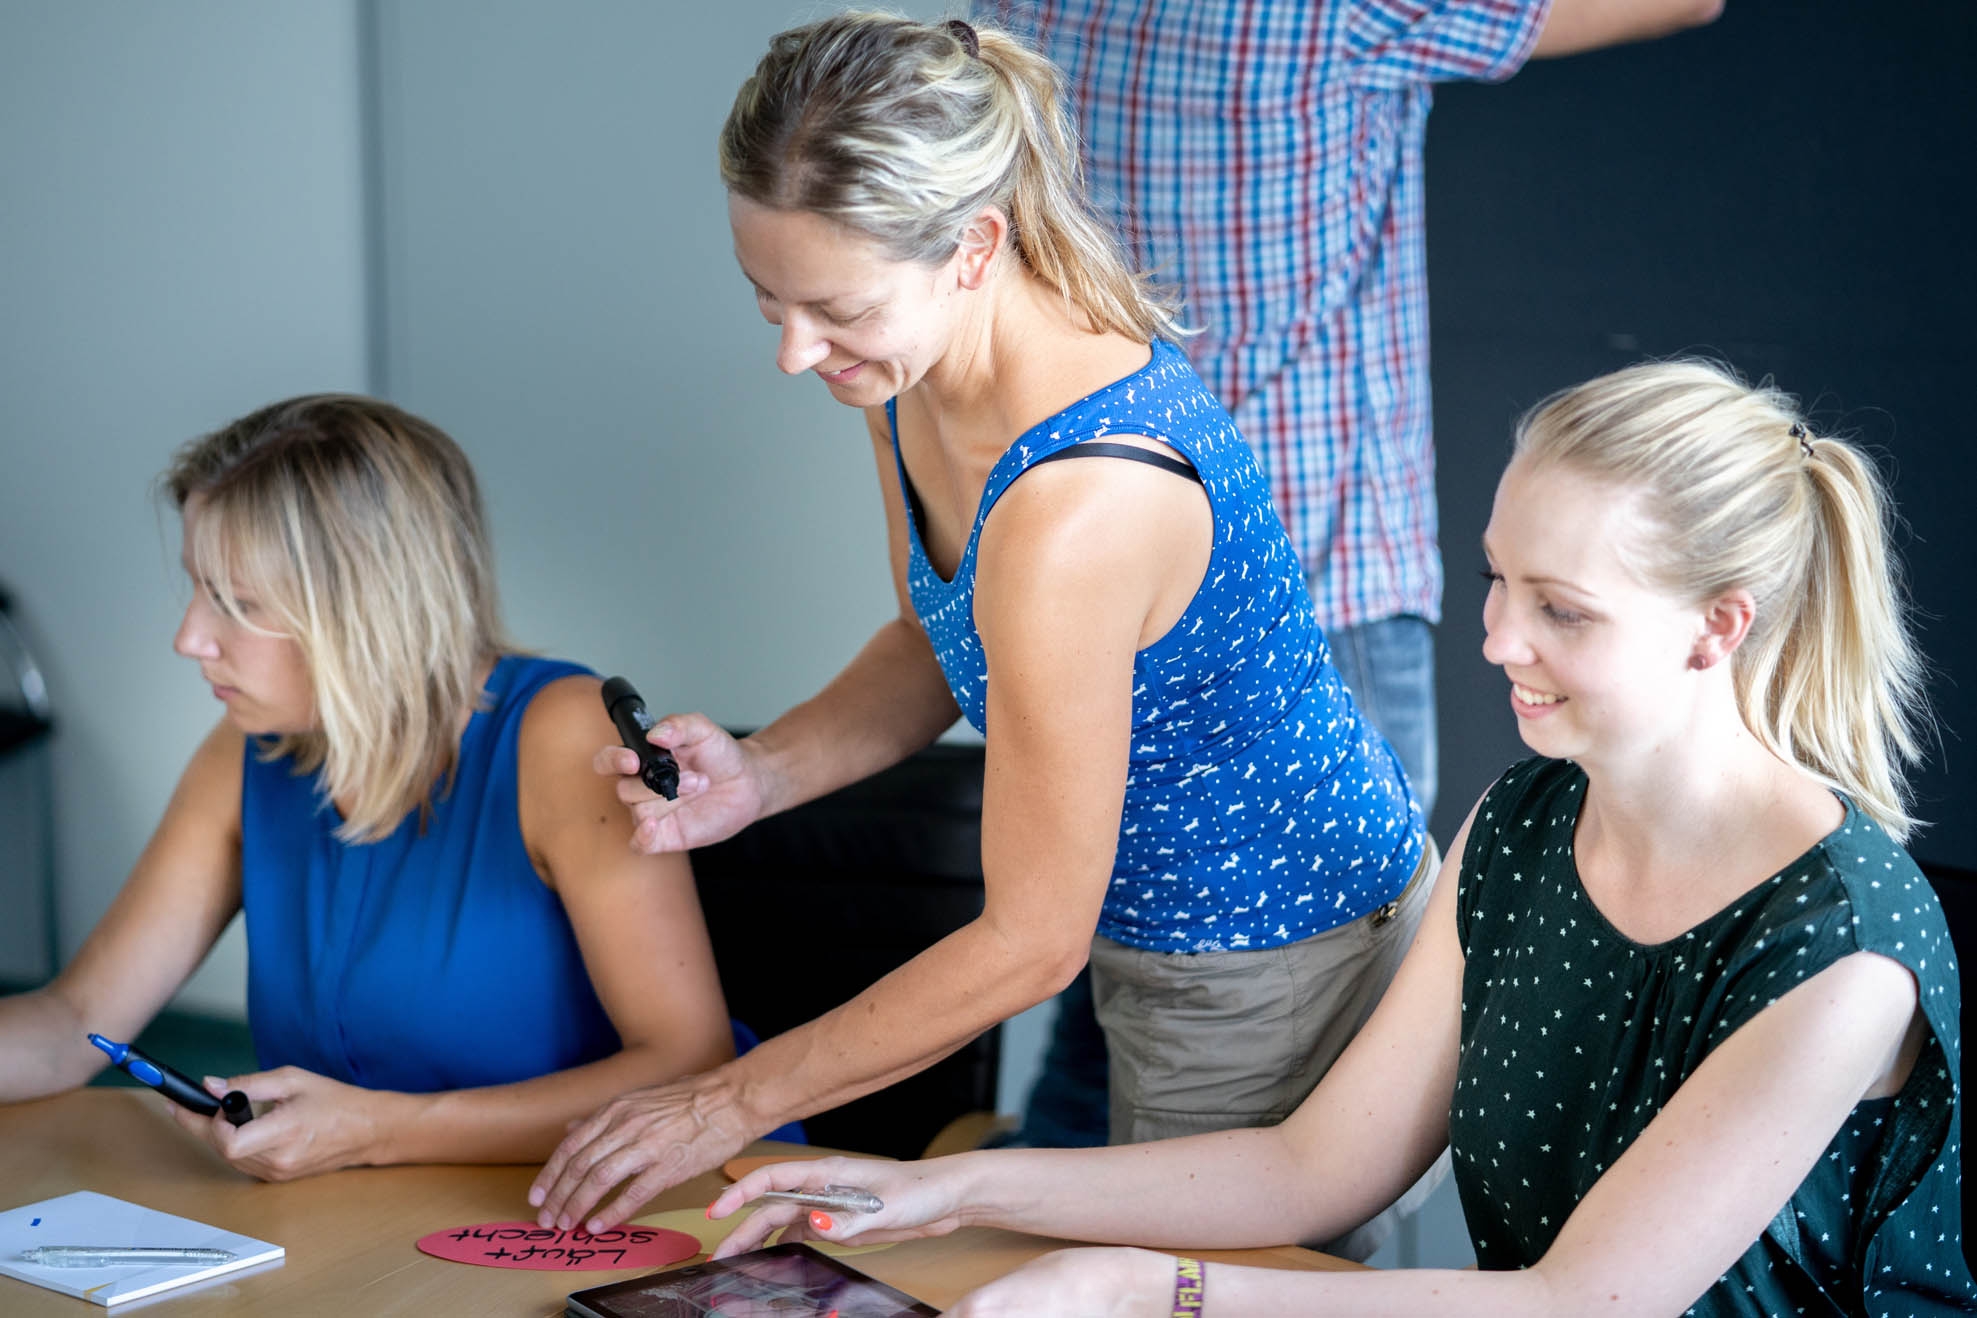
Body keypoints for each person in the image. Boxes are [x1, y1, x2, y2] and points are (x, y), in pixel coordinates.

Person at [710, 360, 1977, 1316]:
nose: (1495, 642)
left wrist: (1155, 1288)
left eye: (1562, 611)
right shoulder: (1528, 821)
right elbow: (1314, 1166)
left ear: (1718, 629)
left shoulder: (1843, 951)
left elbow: (1578, 1304)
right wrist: (948, 1188)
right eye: (1494, 579)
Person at [528, 12, 1426, 1239]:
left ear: (973, 246)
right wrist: (765, 771)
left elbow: (1026, 941)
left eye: (834, 307)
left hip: (1263, 959)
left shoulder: (1077, 507)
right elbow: (932, 643)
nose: (797, 352)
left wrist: (721, 1102)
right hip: (1133, 924)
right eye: (766, 299)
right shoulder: (907, 377)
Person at [976, 0, 1726, 1151]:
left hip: (1093, 577)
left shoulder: (1014, 11)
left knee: (1110, 1000)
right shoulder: (1328, 10)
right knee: (1312, 1098)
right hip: (1317, 599)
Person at [0, 394, 735, 1180]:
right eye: (198, 588)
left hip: (616, 1204)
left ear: (366, 607)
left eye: (238, 603)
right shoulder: (248, 751)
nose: (190, 638)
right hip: (381, 1218)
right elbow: (77, 1020)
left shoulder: (562, 735)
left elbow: (687, 1069)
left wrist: (382, 1131)